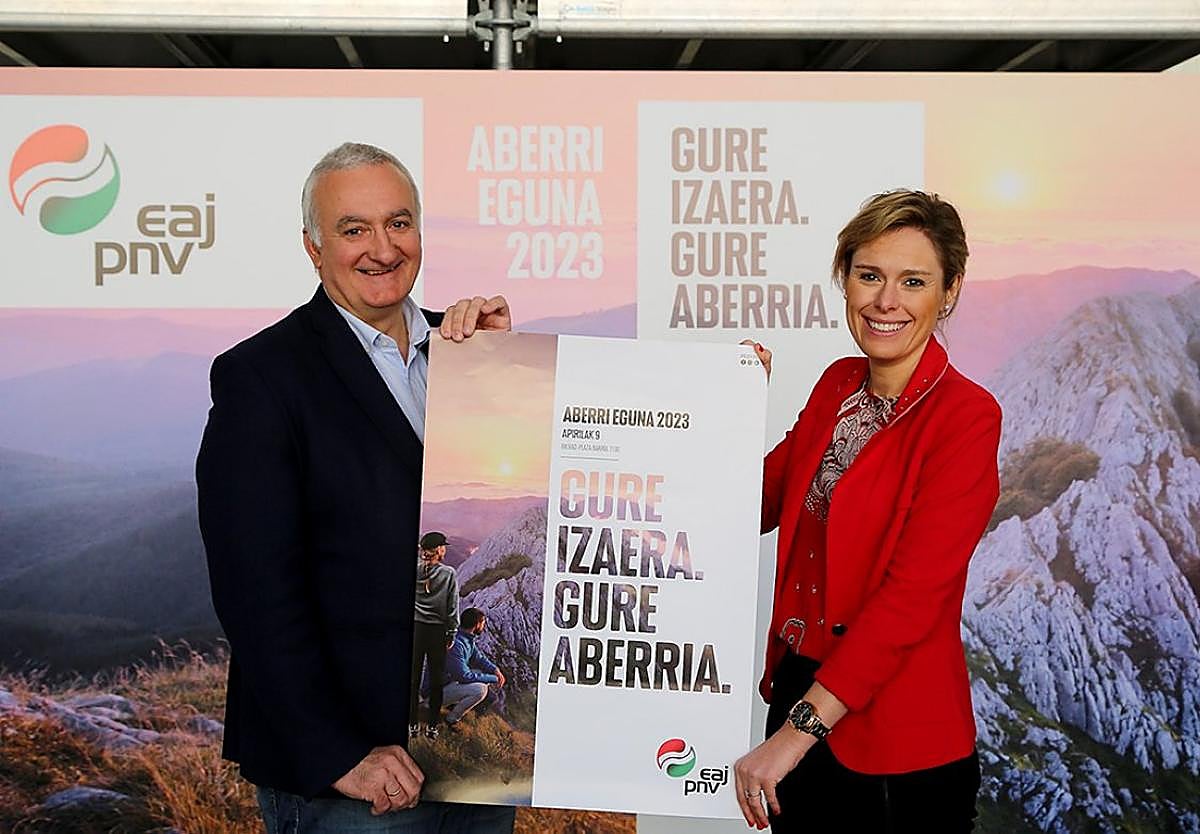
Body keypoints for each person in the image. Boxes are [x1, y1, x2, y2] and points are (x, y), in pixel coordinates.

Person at [197, 142, 516, 833]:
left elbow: (543, 480)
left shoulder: (466, 354)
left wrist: (505, 370)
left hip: (470, 773)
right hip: (353, 786)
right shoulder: (261, 377)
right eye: (354, 229)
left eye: (398, 224)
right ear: (314, 249)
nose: (382, 247)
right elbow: (254, 592)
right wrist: (337, 754)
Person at [733, 190, 1001, 833]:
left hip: (897, 748)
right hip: (797, 693)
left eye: (914, 281)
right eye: (869, 275)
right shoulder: (834, 385)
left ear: (950, 291)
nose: (886, 301)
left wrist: (794, 737)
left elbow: (911, 599)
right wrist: (731, 407)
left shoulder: (966, 417)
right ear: (845, 278)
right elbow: (753, 507)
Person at [411, 531, 459, 739]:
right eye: (443, 547)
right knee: (436, 679)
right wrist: (451, 632)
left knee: (413, 678)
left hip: (416, 628)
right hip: (437, 631)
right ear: (439, 550)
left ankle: (412, 725)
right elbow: (452, 608)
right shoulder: (448, 574)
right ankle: (432, 727)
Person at [442, 608, 506, 726]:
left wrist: (495, 670)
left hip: (449, 682)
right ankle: (451, 720)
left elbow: (479, 658)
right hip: (436, 691)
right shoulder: (456, 644)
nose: (483, 627)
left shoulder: (466, 638)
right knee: (480, 690)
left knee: (485, 685)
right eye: (482, 623)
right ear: (477, 624)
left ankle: (461, 710)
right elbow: (464, 676)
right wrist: (493, 679)